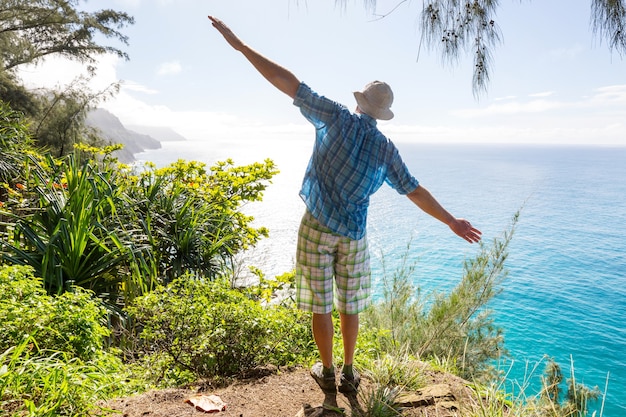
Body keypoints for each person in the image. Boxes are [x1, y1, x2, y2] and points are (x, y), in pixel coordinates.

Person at [208, 15, 482, 398]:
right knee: (349, 306)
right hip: (354, 236)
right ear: (382, 112)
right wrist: (451, 221)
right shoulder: (386, 150)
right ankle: (350, 373)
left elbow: (289, 84)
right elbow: (413, 190)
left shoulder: (334, 117)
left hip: (317, 226)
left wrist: (240, 46)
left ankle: (327, 372)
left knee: (321, 307)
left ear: (360, 103)